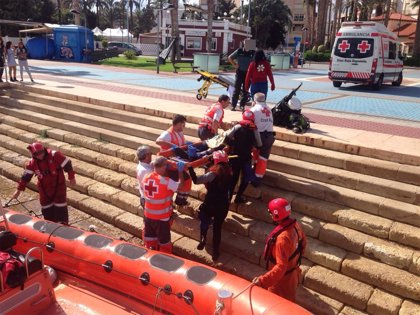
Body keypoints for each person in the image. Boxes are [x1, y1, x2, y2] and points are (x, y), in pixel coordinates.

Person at [252, 198, 307, 302]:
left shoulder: (282, 239)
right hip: (293, 275)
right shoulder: (296, 225)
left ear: (277, 214)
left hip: (281, 281)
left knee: (275, 303)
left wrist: (262, 280)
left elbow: (281, 267)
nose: (270, 214)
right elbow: (303, 243)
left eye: (271, 212)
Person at [12, 142, 76, 224]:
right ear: (33, 154)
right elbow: (25, 177)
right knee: (46, 208)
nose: (39, 155)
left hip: (58, 186)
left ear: (43, 149)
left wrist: (71, 177)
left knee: (60, 206)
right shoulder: (32, 163)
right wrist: (18, 190)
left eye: (40, 152)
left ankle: (63, 225)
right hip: (44, 189)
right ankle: (50, 226)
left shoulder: (55, 155)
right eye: (36, 154)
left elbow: (67, 164)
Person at [188, 150, 232, 260]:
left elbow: (196, 180)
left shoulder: (212, 174)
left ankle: (203, 238)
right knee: (217, 228)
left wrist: (190, 168)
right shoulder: (230, 173)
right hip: (223, 204)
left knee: (204, 221)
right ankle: (215, 251)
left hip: (210, 203)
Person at [141, 156, 185, 253]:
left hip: (148, 216)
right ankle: (164, 260)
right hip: (161, 218)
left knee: (150, 240)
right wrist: (180, 171)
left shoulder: (146, 177)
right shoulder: (165, 181)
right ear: (162, 167)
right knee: (164, 243)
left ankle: (150, 254)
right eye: (165, 166)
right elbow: (181, 185)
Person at [225, 109, 261, 204]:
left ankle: (228, 197)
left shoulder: (237, 127)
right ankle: (238, 197)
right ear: (252, 118)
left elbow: (227, 138)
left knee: (234, 178)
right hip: (246, 158)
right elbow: (259, 144)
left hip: (234, 156)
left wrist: (234, 143)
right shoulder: (254, 129)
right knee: (246, 178)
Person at [156, 114, 192, 206]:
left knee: (186, 180)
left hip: (176, 161)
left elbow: (182, 144)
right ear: (177, 124)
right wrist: (172, 145)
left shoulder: (179, 132)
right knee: (184, 180)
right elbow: (158, 141)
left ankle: (180, 201)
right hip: (168, 164)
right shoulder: (167, 134)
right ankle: (177, 202)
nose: (184, 127)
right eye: (182, 124)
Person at [250, 92, 275, 186]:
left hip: (258, 136)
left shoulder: (254, 110)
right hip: (269, 136)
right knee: (263, 158)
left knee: (255, 153)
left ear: (254, 100)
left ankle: (252, 173)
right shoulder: (269, 108)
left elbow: (249, 123)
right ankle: (258, 178)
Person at [228, 40, 255, 111]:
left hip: (248, 74)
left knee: (245, 90)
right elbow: (230, 57)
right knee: (236, 89)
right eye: (246, 44)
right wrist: (234, 65)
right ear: (244, 44)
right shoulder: (239, 51)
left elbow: (256, 61)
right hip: (239, 73)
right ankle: (233, 105)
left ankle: (242, 106)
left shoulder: (252, 52)